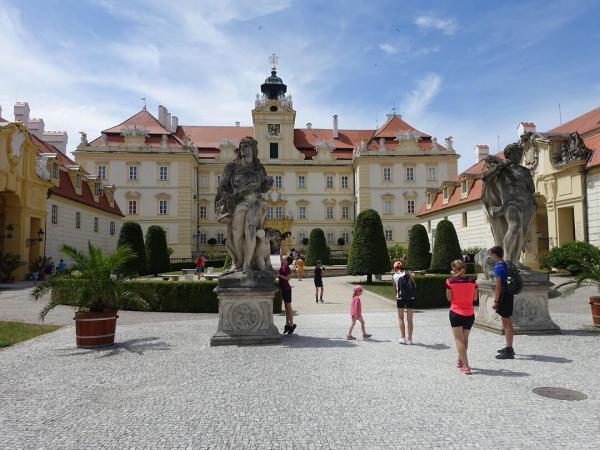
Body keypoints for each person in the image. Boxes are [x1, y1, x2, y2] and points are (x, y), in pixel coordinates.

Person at [446, 260, 478, 375]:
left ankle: (466, 365)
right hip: (469, 314)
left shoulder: (450, 281)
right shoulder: (472, 280)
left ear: (454, 269)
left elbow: (449, 298)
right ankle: (461, 360)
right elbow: (475, 298)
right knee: (465, 339)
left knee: (459, 340)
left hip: (456, 312)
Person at [490, 246, 515, 359]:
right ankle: (508, 346)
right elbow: (509, 280)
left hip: (504, 296)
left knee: (506, 322)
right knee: (507, 322)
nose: (491, 257)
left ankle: (509, 350)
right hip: (509, 295)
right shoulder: (506, 264)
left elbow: (498, 287)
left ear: (495, 254)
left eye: (492, 254)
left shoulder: (499, 267)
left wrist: (496, 301)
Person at [393, 261, 416, 344]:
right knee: (410, 319)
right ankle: (409, 339)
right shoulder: (408, 273)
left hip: (400, 298)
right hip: (411, 298)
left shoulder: (394, 276)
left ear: (394, 268)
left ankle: (403, 338)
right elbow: (414, 285)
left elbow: (395, 288)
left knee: (401, 318)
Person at [279, 256, 296, 334]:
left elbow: (288, 278)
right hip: (283, 289)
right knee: (286, 308)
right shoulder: (282, 265)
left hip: (287, 289)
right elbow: (280, 255)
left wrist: (279, 275)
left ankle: (292, 324)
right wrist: (281, 245)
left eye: (285, 258)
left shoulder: (287, 268)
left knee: (289, 307)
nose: (283, 258)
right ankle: (287, 324)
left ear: (287, 261)